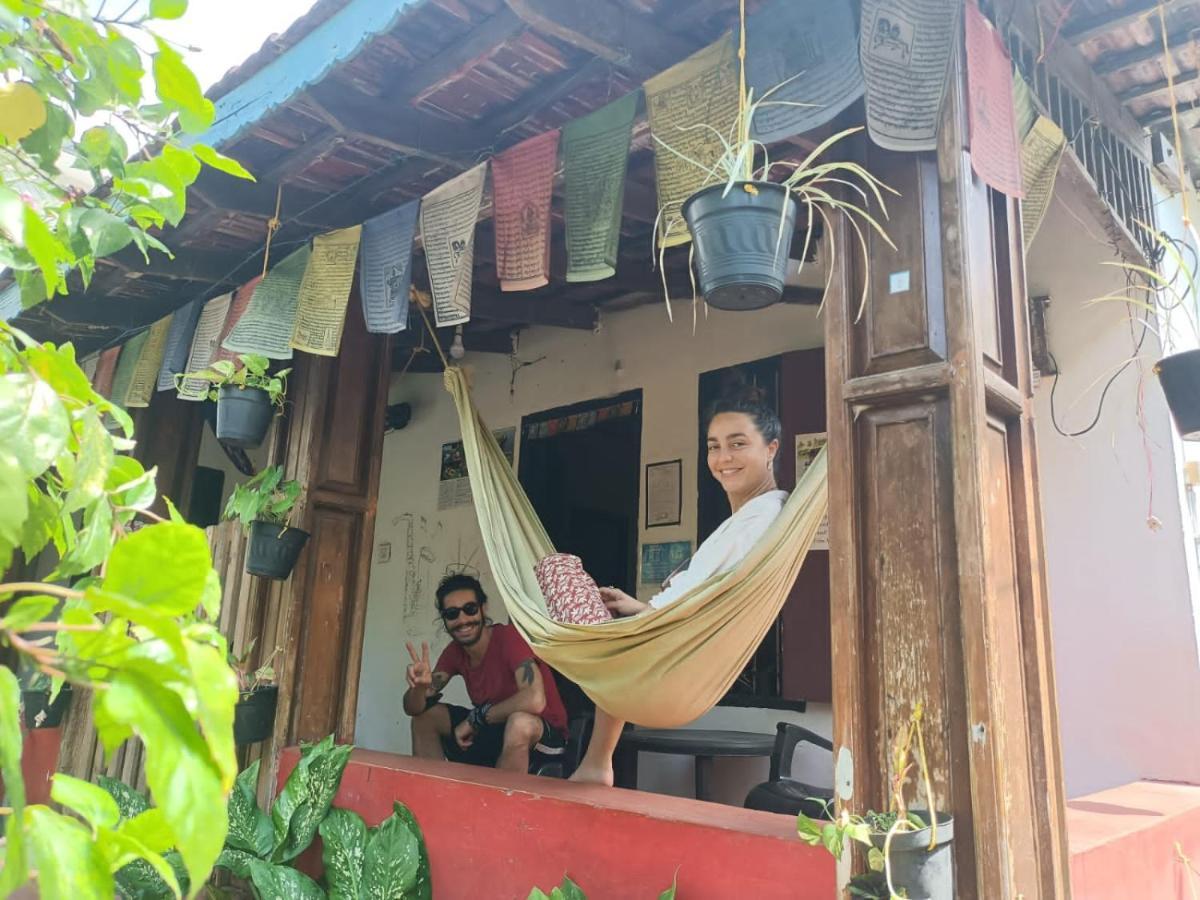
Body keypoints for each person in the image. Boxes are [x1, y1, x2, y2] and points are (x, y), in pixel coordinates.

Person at [569, 390, 787, 785]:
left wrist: (647, 618)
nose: (723, 459)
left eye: (738, 444)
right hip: (676, 639)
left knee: (561, 583)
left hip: (678, 652)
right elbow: (704, 591)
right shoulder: (751, 517)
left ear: (771, 448)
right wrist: (641, 609)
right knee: (594, 626)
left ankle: (596, 761)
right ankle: (596, 761)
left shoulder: (759, 518)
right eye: (714, 447)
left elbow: (696, 599)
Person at [404, 573, 569, 773]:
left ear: (483, 609)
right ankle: (430, 797)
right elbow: (413, 708)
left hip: (543, 734)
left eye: (470, 609)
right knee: (425, 718)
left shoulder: (508, 638)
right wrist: (419, 689)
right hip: (496, 728)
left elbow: (534, 700)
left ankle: (499, 802)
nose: (463, 620)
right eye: (452, 614)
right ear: (445, 620)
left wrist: (476, 718)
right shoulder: (454, 652)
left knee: (519, 723)